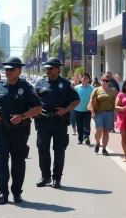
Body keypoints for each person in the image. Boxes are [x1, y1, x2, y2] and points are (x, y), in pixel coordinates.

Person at [0, 57, 42, 204]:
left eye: (12, 69)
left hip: (19, 131)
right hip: (1, 130)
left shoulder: (27, 87)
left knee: (18, 162)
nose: (8, 72)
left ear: (19, 70)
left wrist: (23, 116)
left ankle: (17, 192)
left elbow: (38, 108)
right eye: (7, 69)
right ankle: (2, 192)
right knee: (1, 161)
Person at [34, 57, 80, 189]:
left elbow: (76, 100)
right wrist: (34, 111)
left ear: (57, 68)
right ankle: (45, 176)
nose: (48, 70)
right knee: (42, 149)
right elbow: (33, 100)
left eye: (50, 68)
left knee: (59, 150)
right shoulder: (40, 83)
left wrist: (66, 109)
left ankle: (57, 178)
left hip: (59, 122)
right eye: (46, 68)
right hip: (43, 121)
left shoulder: (65, 84)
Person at [88, 73, 117, 156]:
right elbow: (91, 101)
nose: (105, 82)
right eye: (103, 80)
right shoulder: (96, 90)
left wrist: (115, 113)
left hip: (109, 113)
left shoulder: (112, 91)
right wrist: (92, 112)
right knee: (98, 131)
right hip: (99, 113)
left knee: (106, 132)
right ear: (101, 81)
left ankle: (104, 148)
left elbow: (115, 103)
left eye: (107, 80)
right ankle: (97, 142)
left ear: (109, 82)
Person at [74, 73, 94, 145]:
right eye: (84, 78)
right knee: (79, 125)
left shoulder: (91, 88)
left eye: (87, 78)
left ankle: (86, 137)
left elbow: (93, 99)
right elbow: (73, 97)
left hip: (87, 110)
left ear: (89, 80)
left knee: (86, 124)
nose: (85, 79)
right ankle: (80, 139)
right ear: (81, 79)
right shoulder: (76, 88)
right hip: (77, 109)